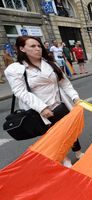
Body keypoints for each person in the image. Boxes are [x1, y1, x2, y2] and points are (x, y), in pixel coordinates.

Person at [4, 36, 84, 168]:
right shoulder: (15, 69)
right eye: (33, 46)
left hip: (59, 104)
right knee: (54, 136)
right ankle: (64, 159)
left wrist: (75, 98)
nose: (37, 49)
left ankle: (78, 152)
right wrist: (42, 108)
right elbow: (21, 92)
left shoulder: (50, 63)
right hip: (40, 111)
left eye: (39, 46)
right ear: (22, 49)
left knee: (69, 131)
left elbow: (65, 83)